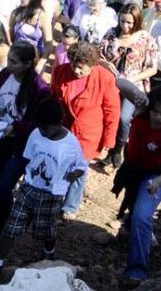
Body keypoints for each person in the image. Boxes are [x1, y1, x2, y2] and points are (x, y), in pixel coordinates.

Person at [0, 100, 86, 287]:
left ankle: (48, 252)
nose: (43, 132)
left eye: (46, 128)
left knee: (46, 228)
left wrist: (67, 179)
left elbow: (80, 167)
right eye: (40, 127)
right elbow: (28, 157)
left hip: (51, 193)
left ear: (58, 123)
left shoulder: (70, 143)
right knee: (11, 226)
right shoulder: (36, 134)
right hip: (29, 188)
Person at [111, 84, 161, 284]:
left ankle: (137, 270)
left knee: (143, 216)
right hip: (132, 171)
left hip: (155, 176)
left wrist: (158, 181)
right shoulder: (142, 111)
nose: (157, 117)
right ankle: (129, 228)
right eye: (156, 111)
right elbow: (120, 81)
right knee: (134, 215)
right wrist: (139, 95)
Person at [0, 41, 52, 237]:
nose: (9, 65)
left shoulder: (40, 89)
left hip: (21, 145)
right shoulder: (5, 75)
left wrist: (16, 127)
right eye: (8, 60)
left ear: (27, 64)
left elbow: (39, 122)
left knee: (4, 188)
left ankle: (4, 232)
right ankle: (3, 226)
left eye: (14, 62)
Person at [50, 41, 120, 218]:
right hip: (64, 129)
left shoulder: (104, 78)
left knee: (79, 168)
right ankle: (55, 197)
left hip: (88, 132)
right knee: (59, 164)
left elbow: (112, 110)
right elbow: (52, 98)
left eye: (82, 68)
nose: (76, 71)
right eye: (74, 65)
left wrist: (109, 140)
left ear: (93, 66)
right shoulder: (60, 71)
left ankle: (70, 206)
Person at [99, 4, 159, 168]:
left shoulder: (145, 38)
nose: (125, 26)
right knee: (109, 116)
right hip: (111, 81)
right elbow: (97, 55)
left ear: (137, 21)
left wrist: (134, 78)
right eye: (122, 21)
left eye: (130, 23)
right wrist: (104, 63)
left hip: (133, 85)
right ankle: (109, 149)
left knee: (124, 118)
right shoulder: (111, 34)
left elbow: (153, 68)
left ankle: (118, 149)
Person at [10, 0, 54, 69]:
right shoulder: (16, 13)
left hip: (34, 61)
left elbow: (49, 44)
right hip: (17, 57)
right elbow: (11, 32)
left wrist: (40, 64)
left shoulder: (42, 17)